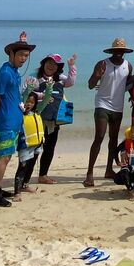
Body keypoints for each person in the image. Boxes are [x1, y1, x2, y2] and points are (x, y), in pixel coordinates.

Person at [0, 31, 36, 207]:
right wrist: (0, 114)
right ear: (11, 53)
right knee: (4, 157)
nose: (23, 59)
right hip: (7, 122)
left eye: (26, 56)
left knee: (7, 157)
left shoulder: (14, 72)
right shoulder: (5, 73)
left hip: (15, 121)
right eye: (21, 55)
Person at [84, 38, 134, 187]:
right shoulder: (102, 64)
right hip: (102, 104)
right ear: (112, 51)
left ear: (124, 52)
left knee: (113, 139)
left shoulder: (128, 66)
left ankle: (108, 170)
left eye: (121, 51)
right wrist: (96, 75)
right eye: (116, 50)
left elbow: (128, 85)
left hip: (118, 107)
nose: (119, 53)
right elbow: (90, 85)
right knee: (99, 136)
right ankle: (89, 173)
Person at [34, 53, 77, 185]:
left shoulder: (60, 79)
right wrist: (43, 97)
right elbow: (27, 94)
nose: (51, 66)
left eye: (54, 64)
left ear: (58, 67)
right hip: (38, 120)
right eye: (49, 63)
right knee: (34, 149)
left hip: (54, 120)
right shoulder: (36, 79)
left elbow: (71, 82)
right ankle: (25, 175)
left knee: (49, 148)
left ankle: (43, 175)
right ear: (43, 64)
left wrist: (71, 66)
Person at [13, 85, 53, 200]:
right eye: (27, 102)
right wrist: (28, 90)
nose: (29, 104)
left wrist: (49, 88)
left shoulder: (37, 111)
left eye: (31, 102)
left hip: (37, 144)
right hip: (25, 145)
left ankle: (25, 185)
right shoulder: (21, 114)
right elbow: (23, 99)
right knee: (22, 168)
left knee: (30, 166)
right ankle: (17, 193)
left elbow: (46, 99)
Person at [113, 122, 134, 201]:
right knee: (124, 170)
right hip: (129, 166)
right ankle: (131, 192)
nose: (133, 134)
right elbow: (115, 151)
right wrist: (118, 162)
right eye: (131, 132)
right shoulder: (126, 142)